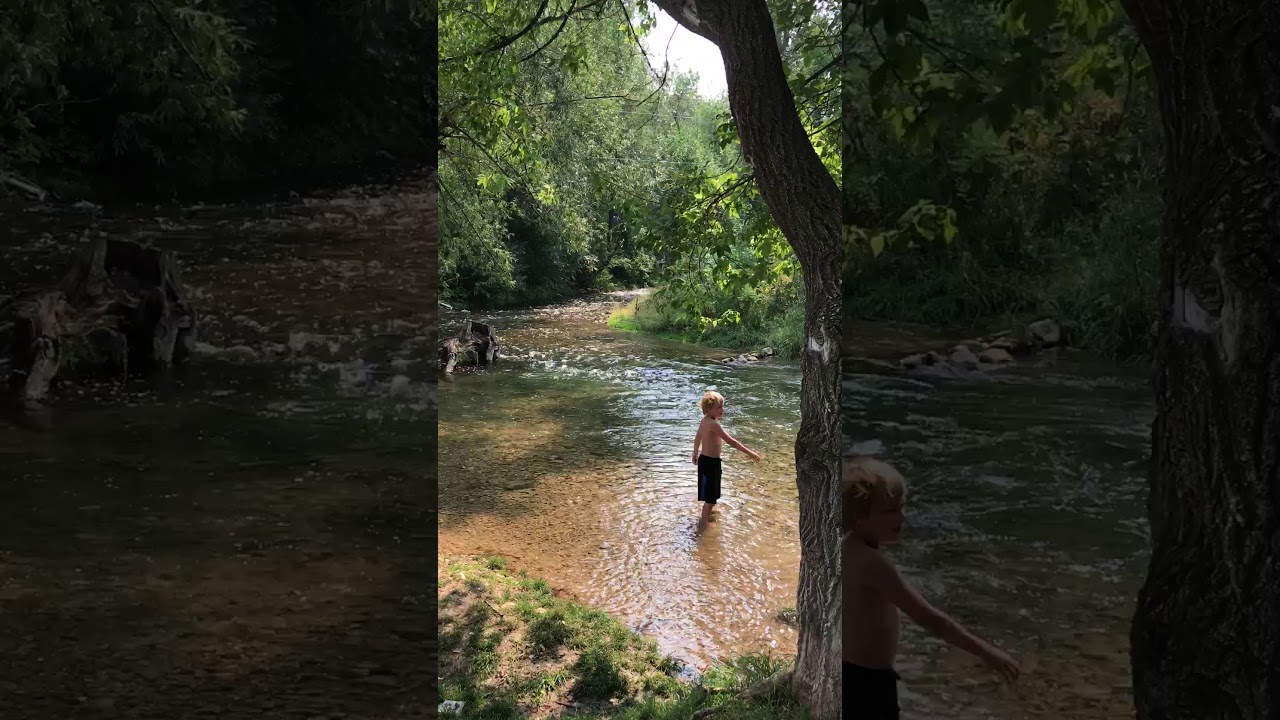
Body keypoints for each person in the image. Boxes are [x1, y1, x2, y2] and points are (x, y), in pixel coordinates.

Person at [843, 455, 1020, 719]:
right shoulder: (874, 564)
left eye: (902, 507)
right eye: (890, 511)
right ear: (859, 516)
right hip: (868, 685)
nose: (901, 517)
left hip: (846, 675)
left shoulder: (845, 549)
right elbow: (933, 621)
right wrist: (987, 652)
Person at [691, 390, 761, 529]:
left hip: (706, 461)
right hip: (710, 463)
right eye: (719, 407)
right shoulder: (714, 424)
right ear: (709, 410)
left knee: (712, 495)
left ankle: (710, 517)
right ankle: (703, 526)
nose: (722, 409)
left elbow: (698, 436)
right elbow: (731, 441)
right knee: (710, 499)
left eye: (722, 406)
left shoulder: (705, 421)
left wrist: (695, 452)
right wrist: (750, 452)